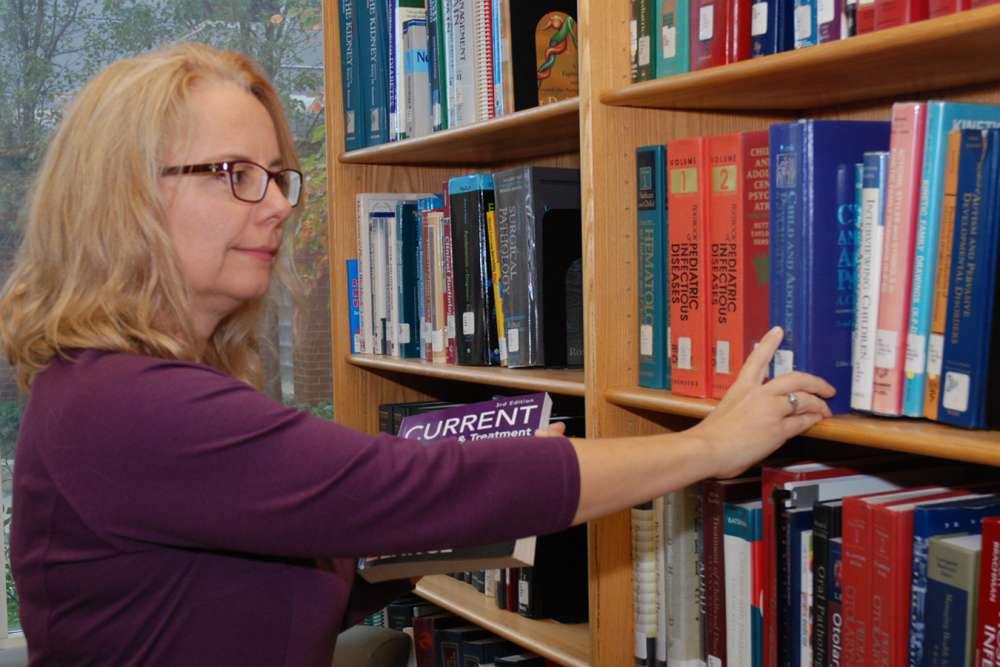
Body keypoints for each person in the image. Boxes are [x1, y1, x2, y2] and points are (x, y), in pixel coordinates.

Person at [0, 43, 833, 666]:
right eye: (233, 173)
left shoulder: (133, 390)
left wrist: (445, 530)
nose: (277, 206)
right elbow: (404, 488)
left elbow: (262, 584)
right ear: (127, 197)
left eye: (279, 176)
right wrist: (710, 447)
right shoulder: (127, 403)